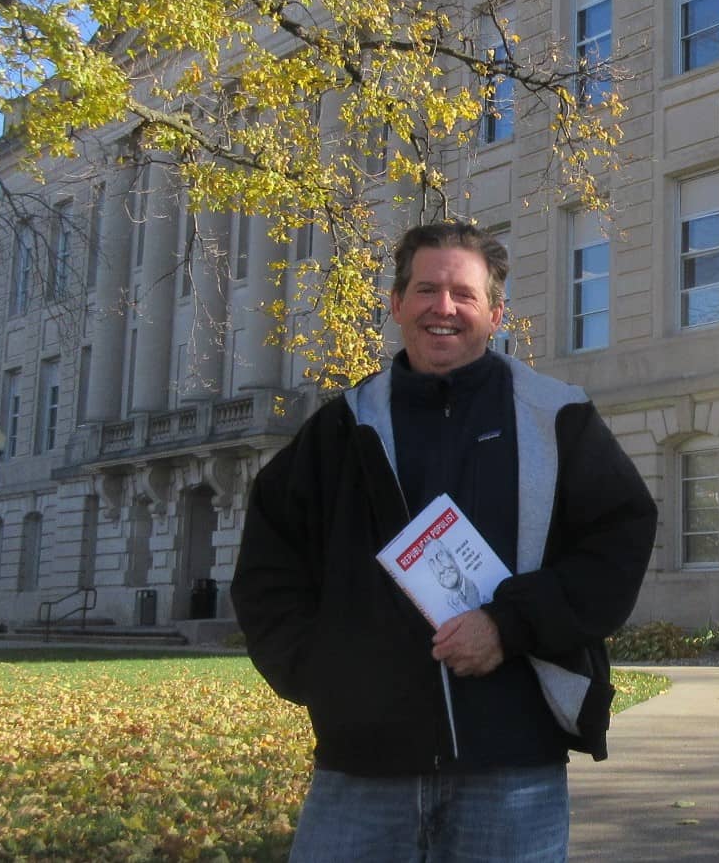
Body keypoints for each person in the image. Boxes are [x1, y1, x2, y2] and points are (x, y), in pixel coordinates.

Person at [232, 220, 658, 862]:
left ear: (495, 312)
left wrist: (509, 624)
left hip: (513, 762)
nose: (444, 308)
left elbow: (617, 545)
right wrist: (328, 676)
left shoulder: (558, 417)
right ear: (397, 303)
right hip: (363, 768)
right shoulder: (339, 430)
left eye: (464, 294)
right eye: (426, 290)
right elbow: (269, 569)